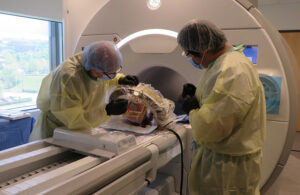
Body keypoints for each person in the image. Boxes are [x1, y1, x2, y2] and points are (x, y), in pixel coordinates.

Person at [177, 20, 266, 194]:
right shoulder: (224, 63)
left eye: (191, 55)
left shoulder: (231, 69)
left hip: (227, 168)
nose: (193, 60)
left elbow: (213, 127)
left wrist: (192, 111)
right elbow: (221, 101)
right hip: (225, 159)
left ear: (204, 49)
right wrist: (198, 96)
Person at [30, 41, 139, 140]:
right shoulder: (69, 77)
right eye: (111, 74)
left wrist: (120, 79)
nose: (113, 75)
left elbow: (102, 79)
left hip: (81, 128)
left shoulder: (94, 61)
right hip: (59, 130)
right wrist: (107, 110)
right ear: (94, 70)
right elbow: (74, 120)